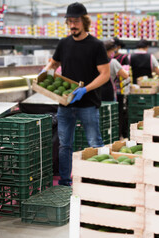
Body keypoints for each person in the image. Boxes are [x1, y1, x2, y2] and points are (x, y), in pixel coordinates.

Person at [41, 2, 110, 186]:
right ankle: (64, 181)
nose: (73, 25)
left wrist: (85, 89)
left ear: (84, 21)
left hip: (88, 104)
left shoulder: (96, 45)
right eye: (70, 21)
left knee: (95, 142)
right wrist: (45, 71)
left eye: (76, 21)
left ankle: (99, 179)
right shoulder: (63, 43)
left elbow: (105, 75)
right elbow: (54, 64)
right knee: (65, 145)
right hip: (65, 104)